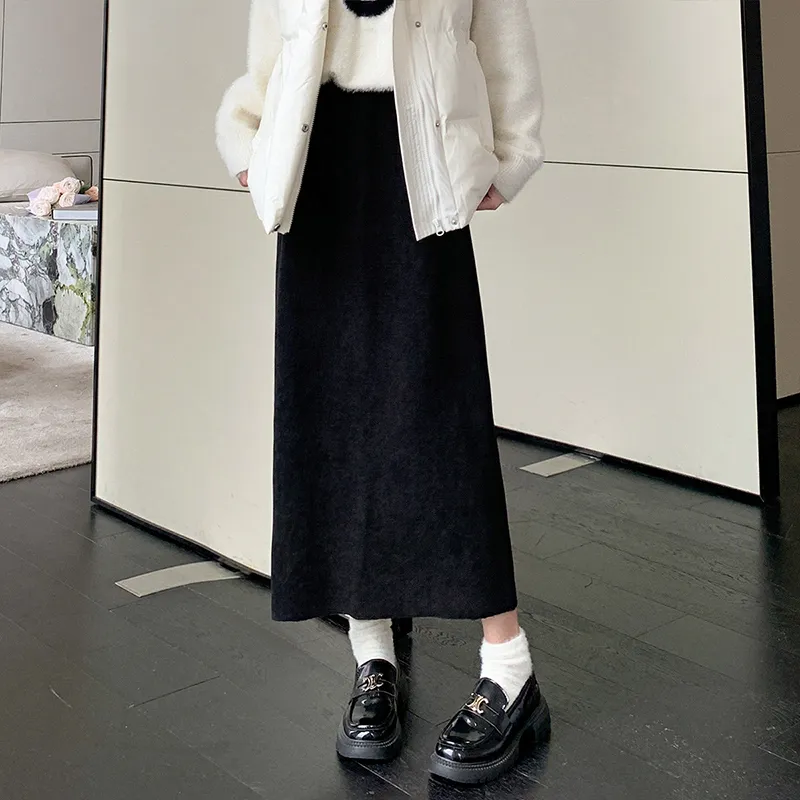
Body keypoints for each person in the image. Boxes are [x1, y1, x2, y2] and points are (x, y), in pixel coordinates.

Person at [216, 0, 548, 785]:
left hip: (421, 140)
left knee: (442, 408)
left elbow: (500, 25)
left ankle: (510, 668)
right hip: (314, 144)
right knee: (334, 411)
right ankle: (374, 657)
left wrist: (510, 153)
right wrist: (250, 139)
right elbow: (274, 37)